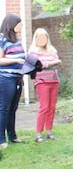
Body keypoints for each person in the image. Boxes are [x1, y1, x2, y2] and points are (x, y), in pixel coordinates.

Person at [28, 28, 61, 142]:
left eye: (44, 37)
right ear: (35, 38)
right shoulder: (33, 52)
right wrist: (51, 63)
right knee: (44, 107)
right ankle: (38, 134)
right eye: (39, 37)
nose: (42, 39)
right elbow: (39, 66)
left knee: (52, 107)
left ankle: (49, 131)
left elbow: (58, 63)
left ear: (47, 38)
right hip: (41, 82)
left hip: (54, 81)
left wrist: (49, 64)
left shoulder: (52, 49)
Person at [0, 13, 25, 149]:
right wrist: (15, 60)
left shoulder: (17, 40)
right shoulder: (1, 39)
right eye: (19, 23)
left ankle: (12, 136)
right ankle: (1, 139)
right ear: (11, 24)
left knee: (13, 109)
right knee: (3, 109)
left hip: (17, 79)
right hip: (5, 79)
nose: (21, 26)